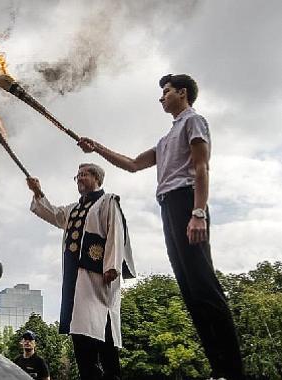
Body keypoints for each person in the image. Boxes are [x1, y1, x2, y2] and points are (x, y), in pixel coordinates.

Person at [77, 74, 243, 379]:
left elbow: (201, 167)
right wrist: (97, 147)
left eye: (166, 92)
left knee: (204, 285)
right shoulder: (166, 138)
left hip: (185, 204)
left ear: (183, 93)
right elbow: (132, 164)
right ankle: (220, 369)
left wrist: (198, 212)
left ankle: (234, 371)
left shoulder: (195, 121)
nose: (161, 97)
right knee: (191, 291)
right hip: (167, 206)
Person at [27, 163, 135, 380]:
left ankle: (112, 374)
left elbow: (116, 232)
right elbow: (54, 214)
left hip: (99, 278)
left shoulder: (108, 202)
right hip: (76, 282)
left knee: (103, 331)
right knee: (80, 330)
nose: (79, 179)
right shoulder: (73, 209)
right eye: (76, 176)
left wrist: (112, 266)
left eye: (84, 175)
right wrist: (38, 192)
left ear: (97, 178)